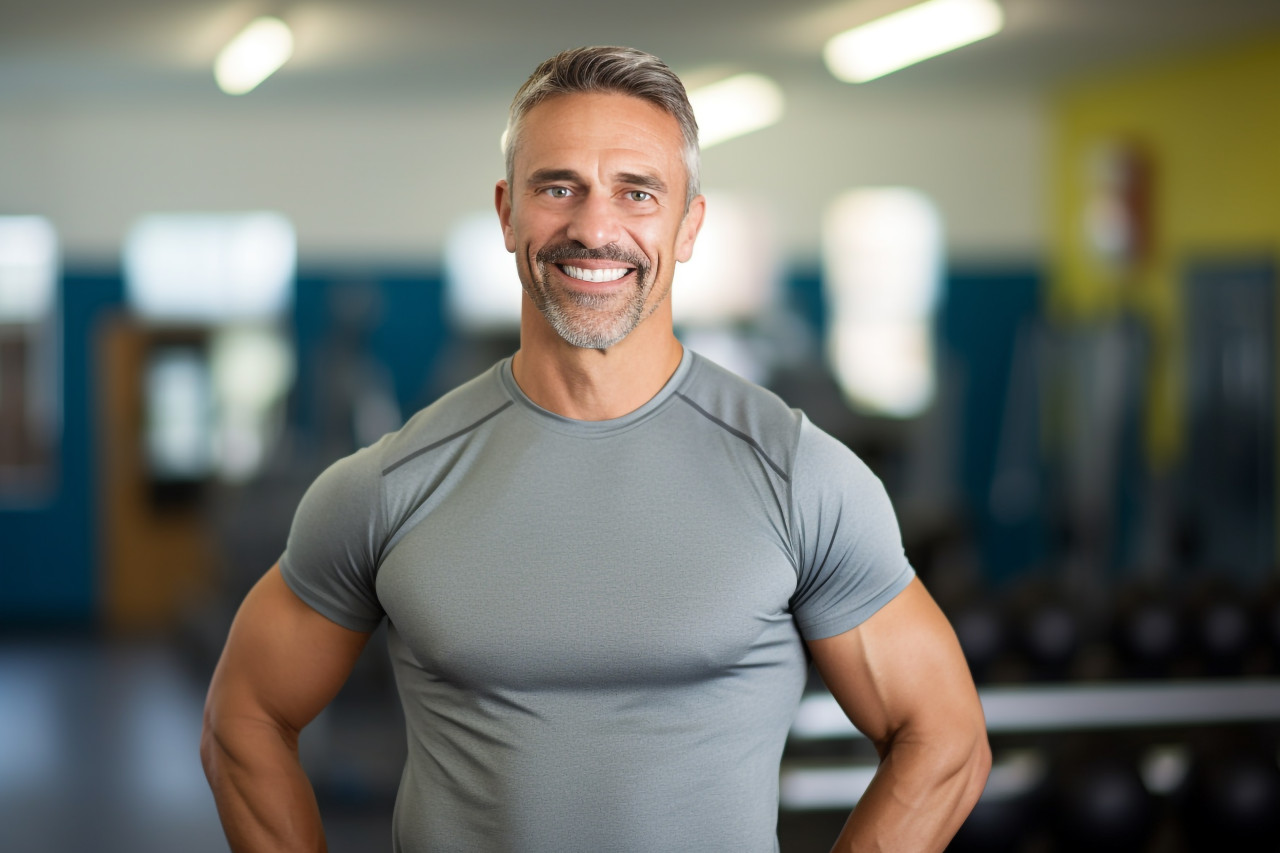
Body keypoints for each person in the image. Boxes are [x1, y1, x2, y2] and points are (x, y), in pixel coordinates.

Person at [201, 45, 990, 852]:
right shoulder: (387, 485)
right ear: (507, 212)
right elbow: (245, 718)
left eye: (637, 192)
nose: (594, 227)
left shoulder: (800, 476)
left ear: (689, 225)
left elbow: (945, 737)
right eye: (558, 187)